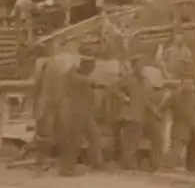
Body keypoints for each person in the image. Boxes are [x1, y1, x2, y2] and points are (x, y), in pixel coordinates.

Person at [112, 55, 163, 171]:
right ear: (133, 66)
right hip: (132, 116)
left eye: (142, 66)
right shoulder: (127, 78)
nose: (141, 68)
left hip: (145, 117)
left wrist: (156, 112)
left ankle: (155, 164)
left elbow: (147, 101)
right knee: (130, 141)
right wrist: (124, 98)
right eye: (138, 65)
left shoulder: (145, 82)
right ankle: (128, 165)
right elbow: (113, 89)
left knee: (158, 137)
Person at [57, 48, 102, 176]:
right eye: (91, 65)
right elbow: (79, 80)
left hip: (85, 114)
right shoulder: (72, 73)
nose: (92, 68)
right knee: (72, 142)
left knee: (95, 135)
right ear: (84, 64)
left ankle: (95, 163)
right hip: (73, 113)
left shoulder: (84, 76)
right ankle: (66, 168)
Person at [159, 75, 195, 173]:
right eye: (186, 83)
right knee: (177, 150)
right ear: (181, 84)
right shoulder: (176, 96)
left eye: (190, 83)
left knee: (193, 152)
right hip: (183, 126)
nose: (188, 86)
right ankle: (170, 169)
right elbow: (162, 107)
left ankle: (191, 170)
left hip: (193, 128)